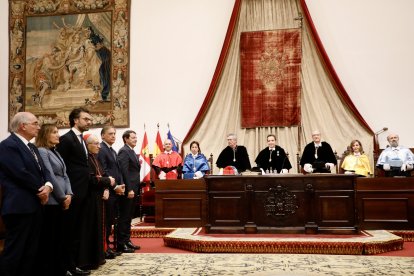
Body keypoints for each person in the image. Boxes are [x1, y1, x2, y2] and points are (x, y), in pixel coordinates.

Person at [0, 112, 53, 276]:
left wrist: (49, 186)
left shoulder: (31, 147)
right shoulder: (7, 145)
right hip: (20, 206)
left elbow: (43, 172)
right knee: (15, 252)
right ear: (23, 126)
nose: (39, 127)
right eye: (35, 123)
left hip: (35, 205)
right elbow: (20, 172)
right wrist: (41, 190)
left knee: (31, 251)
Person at [56, 107, 93, 276]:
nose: (89, 122)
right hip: (72, 192)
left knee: (77, 230)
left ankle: (74, 265)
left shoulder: (81, 139)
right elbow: (61, 169)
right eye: (86, 119)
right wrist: (66, 192)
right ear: (75, 120)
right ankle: (65, 267)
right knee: (68, 231)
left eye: (90, 119)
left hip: (83, 191)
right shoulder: (66, 139)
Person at [35, 123, 73, 276]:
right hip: (52, 201)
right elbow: (49, 175)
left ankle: (61, 267)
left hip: (64, 198)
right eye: (55, 132)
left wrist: (69, 193)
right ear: (45, 135)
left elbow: (65, 175)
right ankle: (53, 269)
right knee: (52, 237)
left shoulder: (55, 152)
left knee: (61, 237)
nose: (58, 135)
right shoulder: (42, 151)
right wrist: (62, 197)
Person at [78, 134, 115, 269]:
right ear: (88, 145)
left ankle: (99, 256)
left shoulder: (95, 158)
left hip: (99, 197)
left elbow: (102, 175)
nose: (99, 146)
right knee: (91, 228)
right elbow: (92, 179)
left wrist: (106, 187)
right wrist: (108, 181)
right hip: (90, 199)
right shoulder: (85, 159)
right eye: (96, 143)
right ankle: (89, 260)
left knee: (99, 227)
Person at [117, 130, 141, 253]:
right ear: (126, 139)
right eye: (133, 137)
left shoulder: (131, 151)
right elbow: (124, 171)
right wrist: (129, 188)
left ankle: (127, 240)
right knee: (124, 217)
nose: (135, 139)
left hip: (134, 188)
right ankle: (121, 243)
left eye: (136, 137)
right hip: (128, 190)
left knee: (129, 217)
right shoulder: (124, 151)